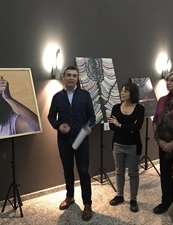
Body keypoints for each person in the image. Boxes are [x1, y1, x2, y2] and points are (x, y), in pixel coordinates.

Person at [48, 65, 96, 221]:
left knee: (83, 171)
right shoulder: (57, 97)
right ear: (63, 77)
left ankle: (88, 204)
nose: (71, 78)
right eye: (68, 75)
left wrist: (88, 126)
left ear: (77, 78)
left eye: (74, 75)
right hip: (64, 141)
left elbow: (92, 116)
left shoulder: (85, 95)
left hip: (81, 139)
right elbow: (50, 117)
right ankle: (70, 197)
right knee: (67, 170)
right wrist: (57, 126)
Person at [108, 83, 145, 213]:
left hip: (133, 146)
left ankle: (133, 199)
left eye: (126, 91)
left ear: (132, 93)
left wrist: (120, 125)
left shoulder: (140, 108)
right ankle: (120, 195)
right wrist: (127, 127)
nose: (122, 93)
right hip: (117, 144)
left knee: (133, 173)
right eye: (121, 91)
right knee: (119, 171)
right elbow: (112, 126)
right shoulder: (116, 107)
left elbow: (137, 127)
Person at [152, 70, 173, 214]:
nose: (168, 83)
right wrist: (159, 140)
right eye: (167, 80)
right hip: (163, 143)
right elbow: (156, 120)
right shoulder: (162, 100)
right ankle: (166, 202)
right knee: (165, 173)